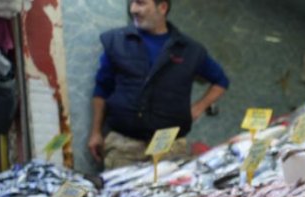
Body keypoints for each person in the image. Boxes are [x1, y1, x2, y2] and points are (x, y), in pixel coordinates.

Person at [88, 0, 229, 169]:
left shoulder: (190, 49)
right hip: (123, 147)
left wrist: (197, 108)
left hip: (170, 147)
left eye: (140, 3)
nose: (133, 9)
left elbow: (220, 81)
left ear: (162, 8)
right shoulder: (116, 41)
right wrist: (96, 132)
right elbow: (102, 89)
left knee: (170, 194)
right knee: (119, 195)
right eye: (132, 3)